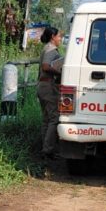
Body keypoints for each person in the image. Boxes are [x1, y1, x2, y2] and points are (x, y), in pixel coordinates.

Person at [37, 27, 63, 159]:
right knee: (54, 118)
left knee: (46, 119)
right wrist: (60, 72)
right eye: (59, 36)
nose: (60, 39)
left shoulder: (46, 48)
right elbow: (46, 66)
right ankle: (48, 150)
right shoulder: (51, 49)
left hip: (43, 86)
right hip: (48, 86)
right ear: (53, 36)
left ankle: (45, 148)